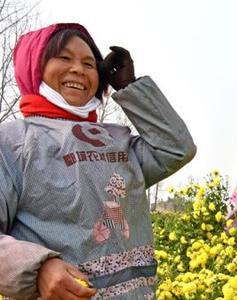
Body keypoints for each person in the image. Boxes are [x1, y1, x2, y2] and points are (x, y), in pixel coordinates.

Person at [0, 23, 196, 299]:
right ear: (33, 67)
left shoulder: (116, 139)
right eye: (64, 58)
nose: (78, 69)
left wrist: (130, 87)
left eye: (90, 64)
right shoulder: (12, 143)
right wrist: (38, 267)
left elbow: (176, 148)